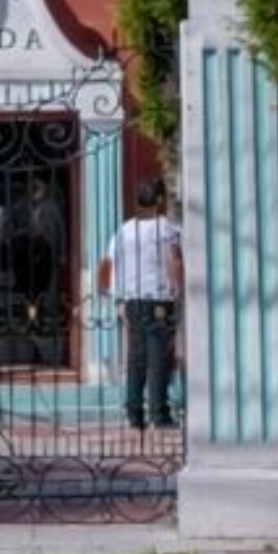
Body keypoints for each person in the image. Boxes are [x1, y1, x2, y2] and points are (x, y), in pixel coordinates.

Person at [102, 177, 182, 430]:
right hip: (158, 299)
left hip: (132, 300)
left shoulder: (124, 229)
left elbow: (109, 264)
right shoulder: (165, 228)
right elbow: (174, 262)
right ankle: (159, 414)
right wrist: (177, 291)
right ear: (158, 200)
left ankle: (133, 413)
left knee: (136, 358)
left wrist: (118, 299)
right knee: (158, 357)